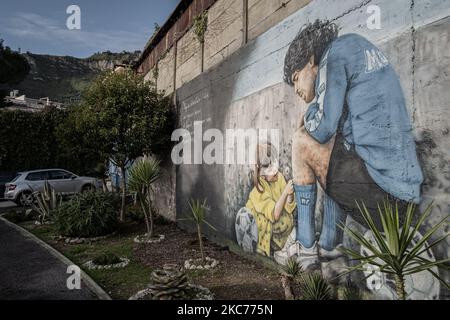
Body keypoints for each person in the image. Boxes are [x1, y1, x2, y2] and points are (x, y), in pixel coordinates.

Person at [283, 20, 423, 268]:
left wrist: (309, 112)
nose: (296, 89)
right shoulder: (355, 48)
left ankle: (304, 247)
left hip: (383, 194)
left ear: (311, 61)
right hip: (406, 198)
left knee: (300, 142)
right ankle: (329, 246)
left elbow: (324, 128)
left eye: (296, 78)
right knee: (336, 151)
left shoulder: (332, 58)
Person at [245, 143, 298, 265]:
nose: (274, 169)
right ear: (260, 170)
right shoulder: (258, 190)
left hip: (281, 226)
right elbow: (274, 215)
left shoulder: (278, 177)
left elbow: (289, 208)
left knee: (289, 221)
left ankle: (286, 246)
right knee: (268, 219)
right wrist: (285, 193)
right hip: (266, 228)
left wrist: (290, 194)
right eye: (268, 167)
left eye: (274, 163)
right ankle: (270, 250)